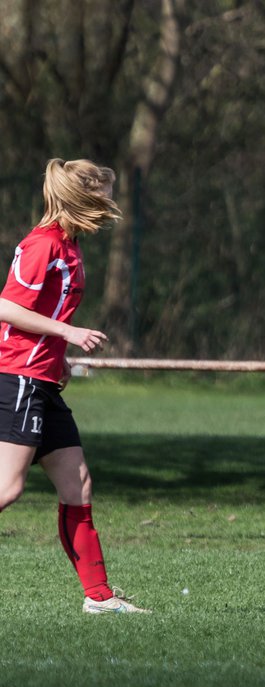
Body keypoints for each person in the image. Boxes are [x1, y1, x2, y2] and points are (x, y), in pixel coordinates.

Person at [0, 158, 150, 613]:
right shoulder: (42, 244)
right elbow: (6, 307)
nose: (110, 201)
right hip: (19, 378)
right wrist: (67, 335)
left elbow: (47, 311)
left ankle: (100, 598)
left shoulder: (70, 245)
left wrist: (59, 357)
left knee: (78, 485)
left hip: (43, 380)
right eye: (103, 192)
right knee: (7, 489)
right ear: (81, 198)